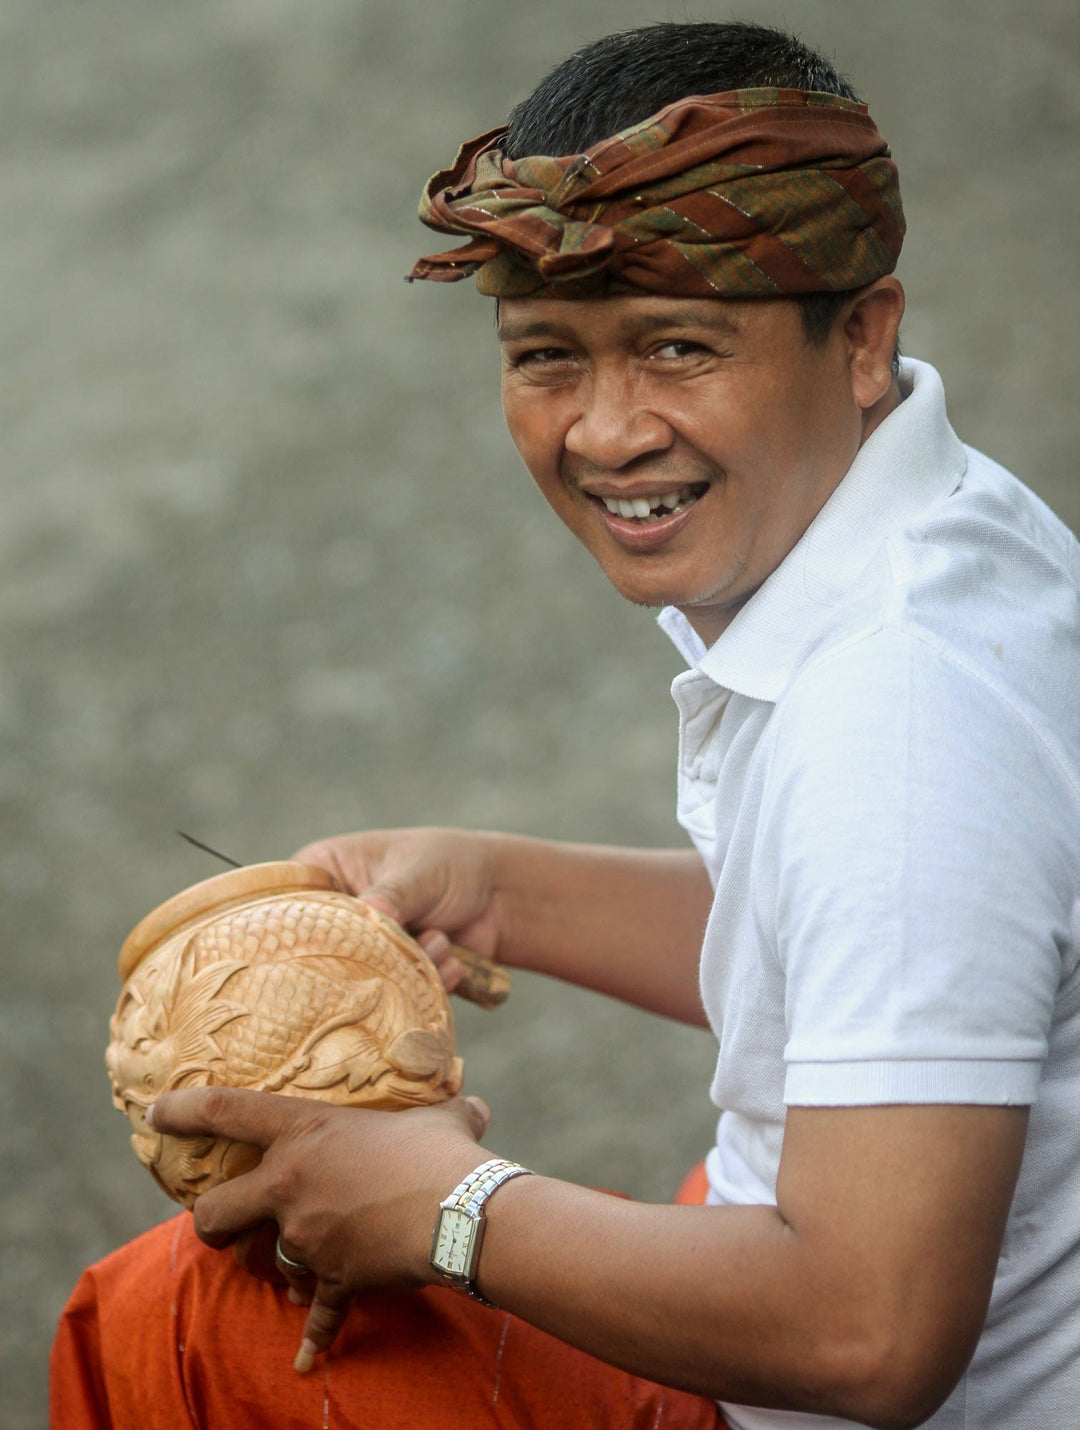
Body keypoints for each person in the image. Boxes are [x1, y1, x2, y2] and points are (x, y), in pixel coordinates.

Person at [51, 20, 1080, 1430]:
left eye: (675, 346)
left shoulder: (898, 726)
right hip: (848, 1219)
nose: (606, 430)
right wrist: (497, 885)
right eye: (548, 355)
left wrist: (449, 1208)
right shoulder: (948, 527)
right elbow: (861, 947)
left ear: (863, 335)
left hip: (826, 1370)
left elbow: (872, 1333)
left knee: (171, 1314)